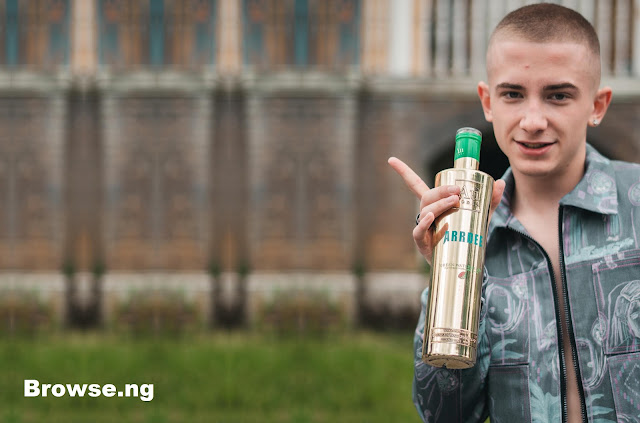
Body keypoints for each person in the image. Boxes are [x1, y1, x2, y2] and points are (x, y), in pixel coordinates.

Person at [388, 3, 640, 423]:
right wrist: (449, 276)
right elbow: (445, 415)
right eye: (513, 94)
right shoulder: (473, 236)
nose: (533, 120)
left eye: (558, 95)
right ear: (488, 102)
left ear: (597, 106)